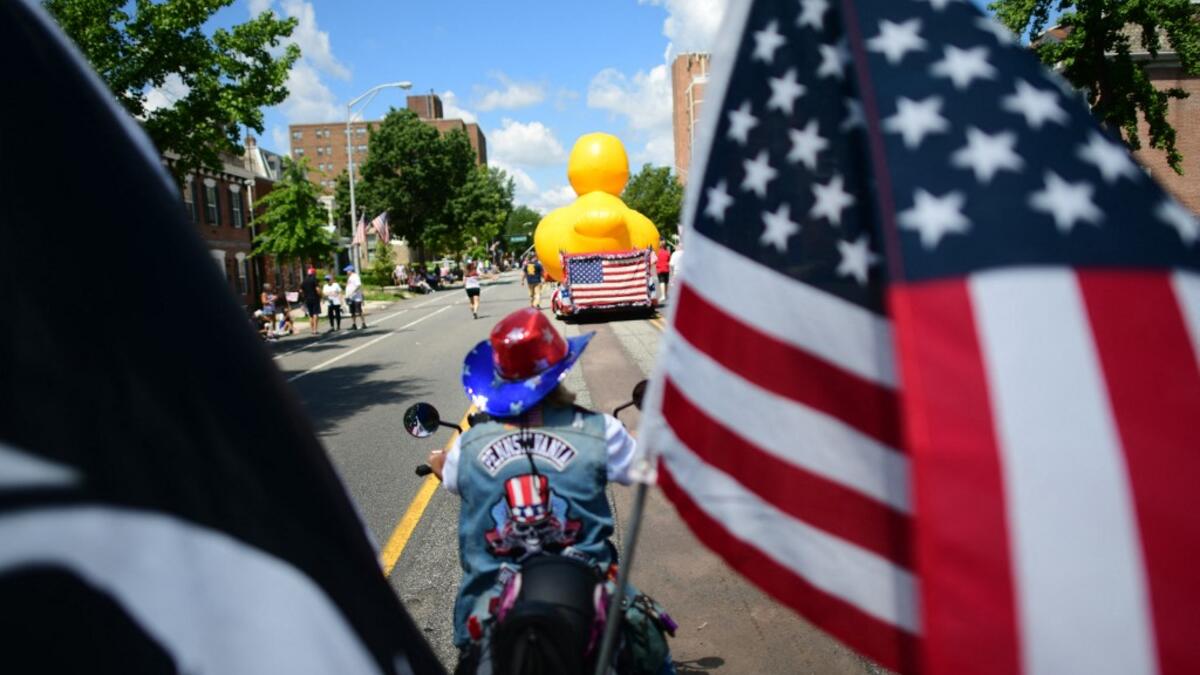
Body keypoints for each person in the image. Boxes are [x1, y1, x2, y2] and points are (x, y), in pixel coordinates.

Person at [425, 308, 673, 674]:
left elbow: (451, 479)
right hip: (584, 585)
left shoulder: (468, 446)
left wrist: (440, 464)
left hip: (494, 594)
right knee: (652, 648)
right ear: (559, 371)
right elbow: (638, 468)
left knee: (471, 648)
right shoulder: (602, 431)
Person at [344, 265, 366, 330]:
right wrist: (347, 295)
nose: (346, 272)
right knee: (352, 312)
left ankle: (363, 323)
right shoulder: (350, 277)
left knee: (359, 311)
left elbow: (358, 285)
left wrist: (353, 292)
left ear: (350, 270)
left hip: (356, 298)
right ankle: (354, 324)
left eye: (347, 271)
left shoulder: (355, 276)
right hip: (351, 298)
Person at [301, 267, 321, 335]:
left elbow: (301, 291)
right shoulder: (314, 280)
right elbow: (317, 289)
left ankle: (312, 330)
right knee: (315, 314)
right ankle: (315, 330)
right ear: (314, 273)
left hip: (307, 299)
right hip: (315, 298)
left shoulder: (304, 281)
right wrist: (321, 295)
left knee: (310, 315)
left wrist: (304, 297)